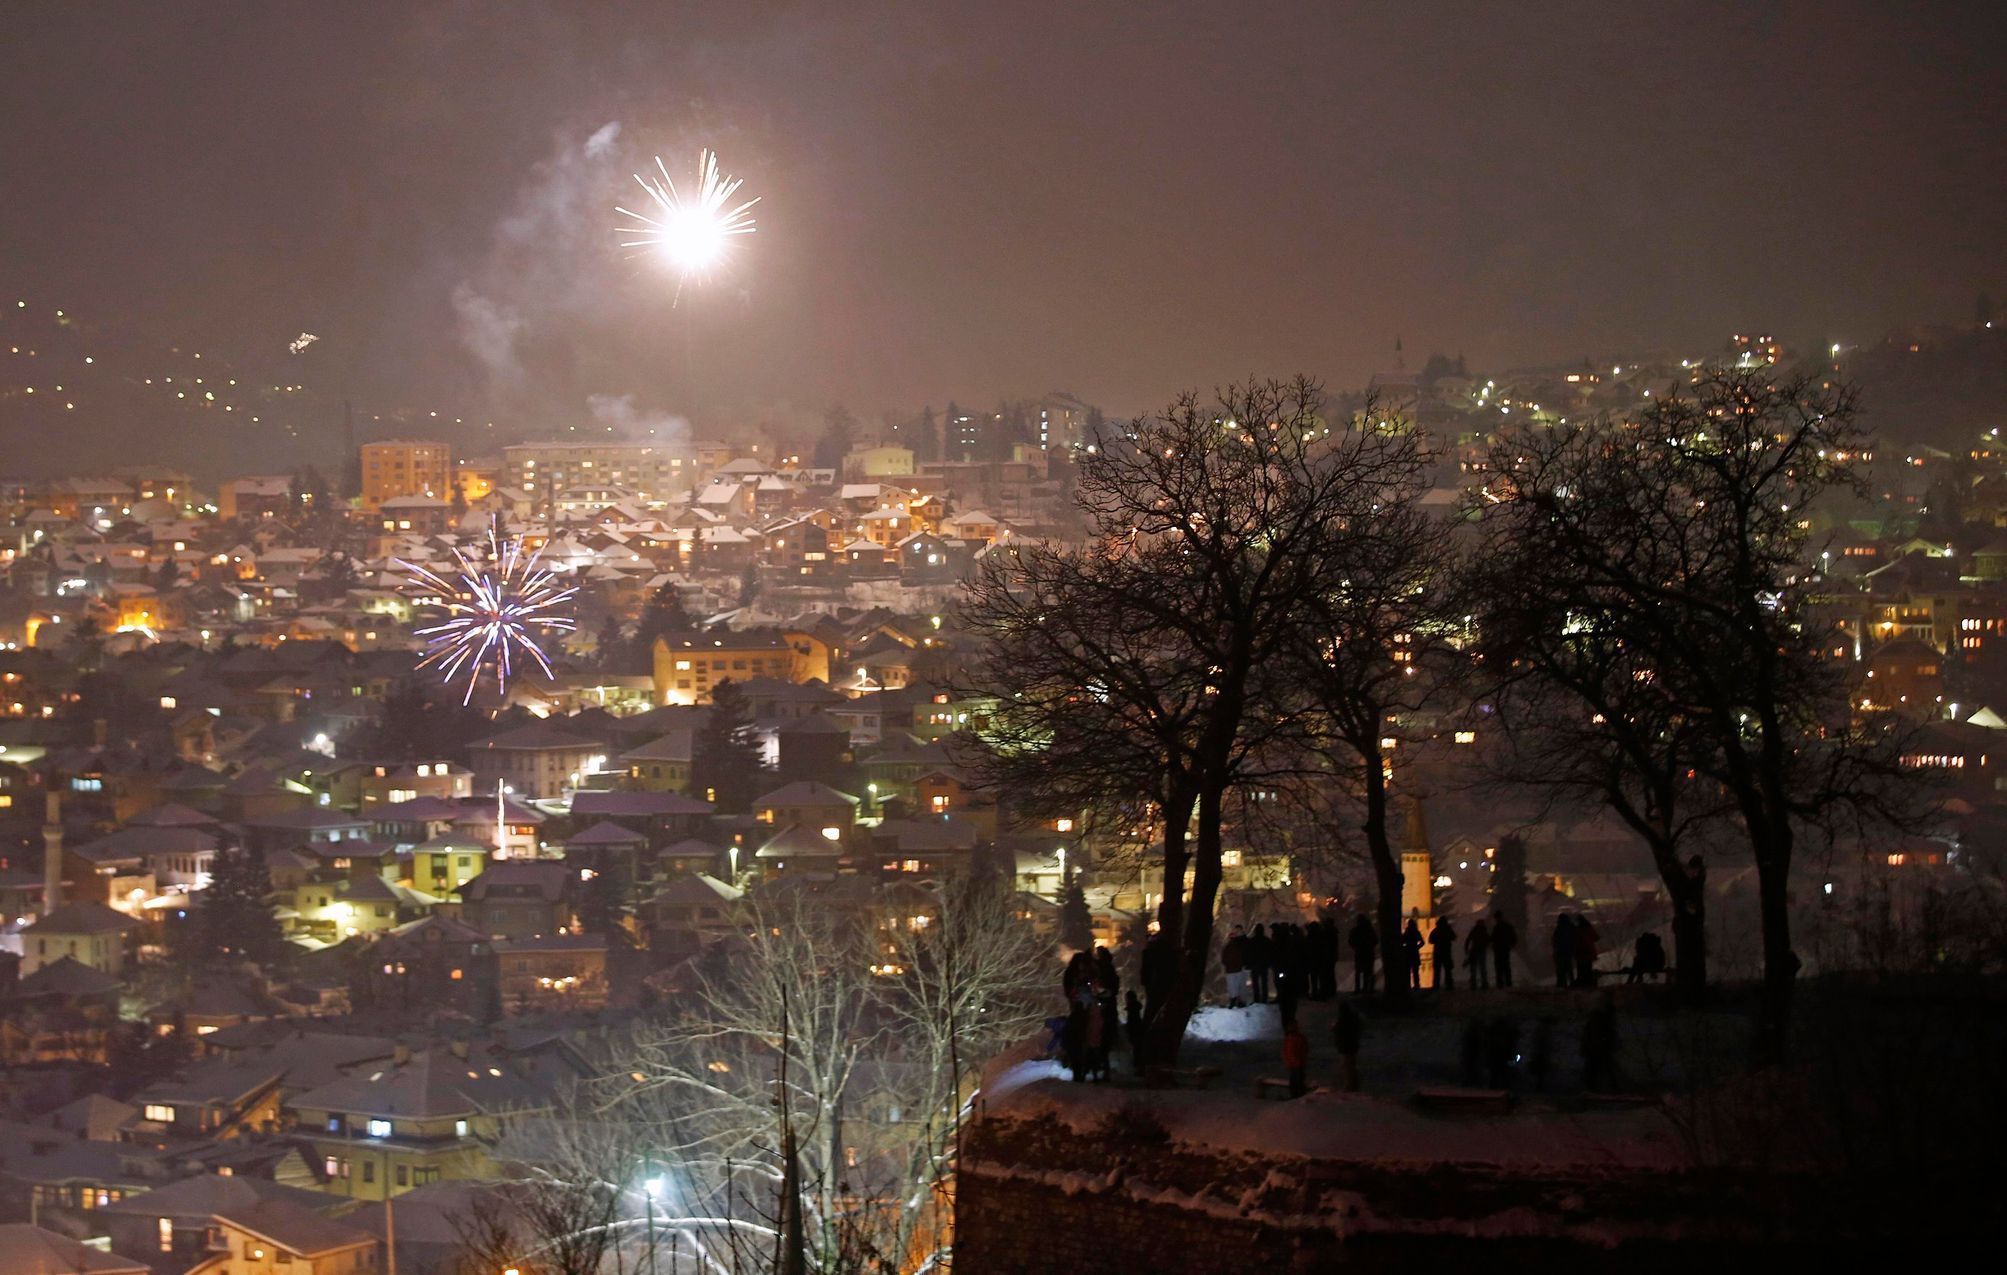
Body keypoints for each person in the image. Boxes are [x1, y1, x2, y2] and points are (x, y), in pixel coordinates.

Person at [1581, 999, 1617, 1091]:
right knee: (1597, 1070)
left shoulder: (1597, 1021)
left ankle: (1594, 1088)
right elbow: (1590, 1036)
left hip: (1596, 1050)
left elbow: (1588, 1036)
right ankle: (1594, 1088)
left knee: (1596, 1070)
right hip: (1597, 1050)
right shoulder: (1599, 1021)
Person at [1334, 1000, 1363, 1091]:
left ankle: (1349, 1086)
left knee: (1347, 1068)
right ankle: (1353, 1085)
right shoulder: (1354, 1019)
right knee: (1351, 1067)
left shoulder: (1343, 1021)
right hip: (1351, 1047)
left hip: (1345, 1048)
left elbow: (1340, 1033)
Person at [1220, 925, 1249, 1007]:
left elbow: (1224, 958)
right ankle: (1239, 1001)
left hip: (1232, 969)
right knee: (1239, 986)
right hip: (1238, 969)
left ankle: (1234, 1001)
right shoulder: (1240, 944)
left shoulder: (1228, 947)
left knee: (1233, 986)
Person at [1348, 914, 1377, 993]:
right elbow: (1375, 940)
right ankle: (1367, 988)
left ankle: (1358, 989)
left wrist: (1356, 946)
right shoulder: (1370, 930)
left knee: (1358, 972)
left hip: (1360, 953)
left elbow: (1351, 941)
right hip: (1369, 953)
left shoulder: (1356, 930)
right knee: (1368, 972)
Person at [1282, 1016, 1309, 1098]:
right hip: (1293, 1064)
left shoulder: (1298, 1038)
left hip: (1298, 1064)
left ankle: (1299, 1096)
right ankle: (1295, 1096)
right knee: (1295, 1081)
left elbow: (1304, 1049)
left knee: (1299, 1081)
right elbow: (1287, 1052)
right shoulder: (1290, 1038)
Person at [1247, 923, 1273, 1004]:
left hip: (1254, 965)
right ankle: (1264, 999)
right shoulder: (1267, 940)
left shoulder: (1252, 941)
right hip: (1264, 965)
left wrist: (1249, 964)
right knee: (1264, 982)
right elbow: (1270, 953)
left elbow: (1249, 953)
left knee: (1255, 983)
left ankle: (1256, 999)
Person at [1490, 912, 1517, 989]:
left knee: (1499, 967)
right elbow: (1513, 936)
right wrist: (1511, 945)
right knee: (1506, 966)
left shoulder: (1497, 927)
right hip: (1505, 948)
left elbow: (1493, 938)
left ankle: (1500, 983)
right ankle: (1508, 982)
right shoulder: (1507, 926)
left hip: (1498, 949)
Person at [1124, 990, 1147, 1074]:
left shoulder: (1132, 1010)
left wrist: (1128, 1028)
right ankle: (1139, 1068)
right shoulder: (1135, 1009)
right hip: (1137, 1030)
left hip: (1134, 1030)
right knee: (1138, 1049)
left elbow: (1131, 1020)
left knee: (1137, 1050)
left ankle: (1139, 1068)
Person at [1430, 917, 1457, 990]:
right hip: (1446, 952)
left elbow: (1431, 940)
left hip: (1438, 952)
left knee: (1437, 971)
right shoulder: (1448, 930)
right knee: (1448, 970)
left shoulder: (1436, 930)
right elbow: (1454, 937)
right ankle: (1449, 985)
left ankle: (1436, 985)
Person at [1465, 917, 1492, 990]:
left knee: (1474, 969)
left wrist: (1466, 950)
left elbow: (1468, 940)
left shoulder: (1474, 930)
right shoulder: (1484, 931)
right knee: (1482, 968)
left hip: (1474, 951)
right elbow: (1488, 940)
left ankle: (1473, 984)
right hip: (1481, 951)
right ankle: (1484, 984)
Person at [1574, 916, 1600, 989]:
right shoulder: (1589, 928)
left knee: (1581, 969)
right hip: (1589, 952)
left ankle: (1582, 984)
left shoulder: (1577, 930)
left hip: (1580, 953)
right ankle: (1588, 983)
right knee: (1588, 968)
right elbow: (1596, 938)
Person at [1551, 913, 1576, 989]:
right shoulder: (1571, 927)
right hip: (1568, 951)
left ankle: (1562, 983)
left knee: (1561, 968)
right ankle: (1571, 983)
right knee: (1568, 968)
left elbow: (1555, 940)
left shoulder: (1559, 928)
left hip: (1561, 951)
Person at [1402, 915, 1425, 990]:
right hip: (1414, 953)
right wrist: (1417, 947)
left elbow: (1402, 941)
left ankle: (1408, 986)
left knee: (1408, 971)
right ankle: (1416, 985)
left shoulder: (1407, 932)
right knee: (1415, 971)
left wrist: (1405, 947)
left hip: (1408, 953)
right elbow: (1422, 942)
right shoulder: (1416, 932)